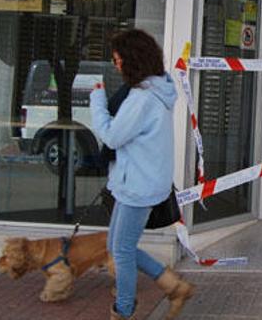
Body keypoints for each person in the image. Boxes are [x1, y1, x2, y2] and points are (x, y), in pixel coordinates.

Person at [90, 29, 194, 320]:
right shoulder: (160, 88)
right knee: (117, 246)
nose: (116, 65)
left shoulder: (142, 98)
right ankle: (173, 285)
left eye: (117, 59)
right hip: (138, 182)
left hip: (137, 185)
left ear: (131, 60)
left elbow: (112, 136)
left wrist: (97, 101)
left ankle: (123, 311)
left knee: (121, 251)